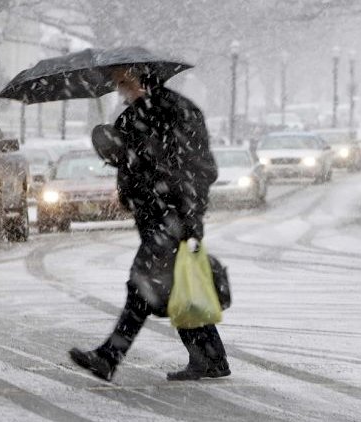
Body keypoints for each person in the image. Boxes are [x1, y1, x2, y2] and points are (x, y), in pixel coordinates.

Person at [69, 65, 230, 381]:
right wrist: (112, 148)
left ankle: (109, 356)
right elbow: (126, 158)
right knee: (175, 287)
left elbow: (202, 169)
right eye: (117, 84)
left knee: (140, 286)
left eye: (123, 82)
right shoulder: (131, 116)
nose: (119, 89)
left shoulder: (179, 111)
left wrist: (187, 215)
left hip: (173, 218)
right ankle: (211, 359)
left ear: (143, 78)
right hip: (152, 216)